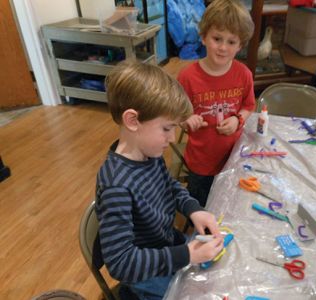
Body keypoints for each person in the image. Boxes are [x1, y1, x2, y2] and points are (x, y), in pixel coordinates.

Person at [95, 60, 224, 300]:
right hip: (145, 276)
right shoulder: (116, 186)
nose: (173, 138)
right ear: (132, 121)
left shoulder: (148, 153)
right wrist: (185, 255)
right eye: (166, 128)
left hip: (167, 248)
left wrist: (193, 210)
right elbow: (121, 263)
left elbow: (170, 187)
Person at [177, 0, 256, 207]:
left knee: (229, 206)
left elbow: (249, 106)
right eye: (217, 38)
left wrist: (237, 120)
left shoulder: (244, 75)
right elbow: (176, 115)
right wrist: (187, 120)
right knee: (200, 208)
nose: (223, 47)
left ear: (240, 45)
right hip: (200, 162)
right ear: (203, 37)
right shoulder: (187, 77)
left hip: (232, 159)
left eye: (231, 42)